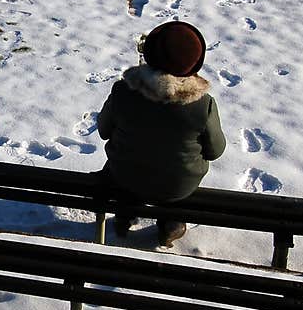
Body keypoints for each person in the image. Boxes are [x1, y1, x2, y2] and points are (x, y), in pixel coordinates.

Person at [95, 20, 226, 247]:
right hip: (178, 187)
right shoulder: (202, 105)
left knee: (123, 168)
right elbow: (215, 150)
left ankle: (124, 214)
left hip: (125, 177)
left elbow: (104, 131)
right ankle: (171, 223)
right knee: (172, 172)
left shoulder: (123, 92)